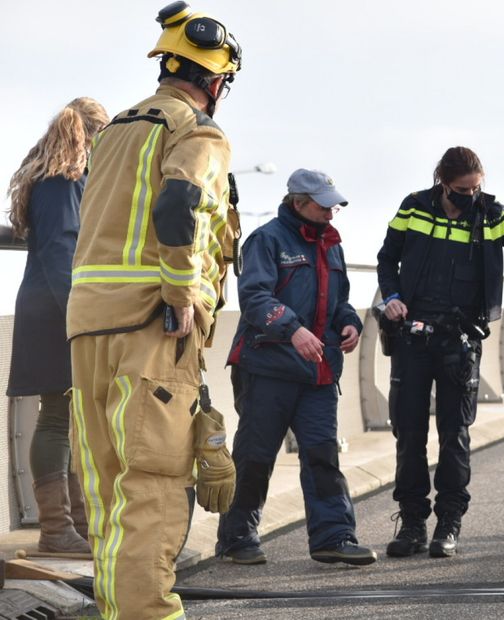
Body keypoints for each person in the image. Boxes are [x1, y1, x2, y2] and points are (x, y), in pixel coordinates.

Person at [66, 3, 241, 618]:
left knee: (108, 486)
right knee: (153, 486)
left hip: (89, 325)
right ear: (217, 81)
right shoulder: (198, 131)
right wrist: (179, 294)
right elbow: (180, 206)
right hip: (150, 327)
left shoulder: (114, 129)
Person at [377, 146, 504, 559]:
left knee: (454, 436)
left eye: (476, 187)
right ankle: (413, 523)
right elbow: (387, 259)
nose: (470, 195)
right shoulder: (413, 208)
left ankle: (448, 524)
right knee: (409, 435)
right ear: (443, 181)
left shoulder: (490, 215)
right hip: (413, 339)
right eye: (462, 188)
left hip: (459, 344)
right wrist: (393, 297)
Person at [216, 169, 376, 567]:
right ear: (298, 202)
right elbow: (254, 297)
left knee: (323, 454)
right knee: (256, 455)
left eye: (333, 205)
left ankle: (333, 537)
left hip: (319, 371)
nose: (331, 214)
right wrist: (293, 330)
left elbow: (339, 300)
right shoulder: (265, 240)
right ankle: (237, 537)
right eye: (323, 207)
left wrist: (350, 323)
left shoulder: (332, 245)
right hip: (268, 368)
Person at [6, 97, 108, 554]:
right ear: (89, 134)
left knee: (69, 420)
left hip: (52, 306)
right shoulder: (63, 183)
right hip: (58, 311)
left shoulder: (59, 180)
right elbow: (60, 253)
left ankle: (78, 524)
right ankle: (56, 530)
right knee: (56, 417)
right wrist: (80, 319)